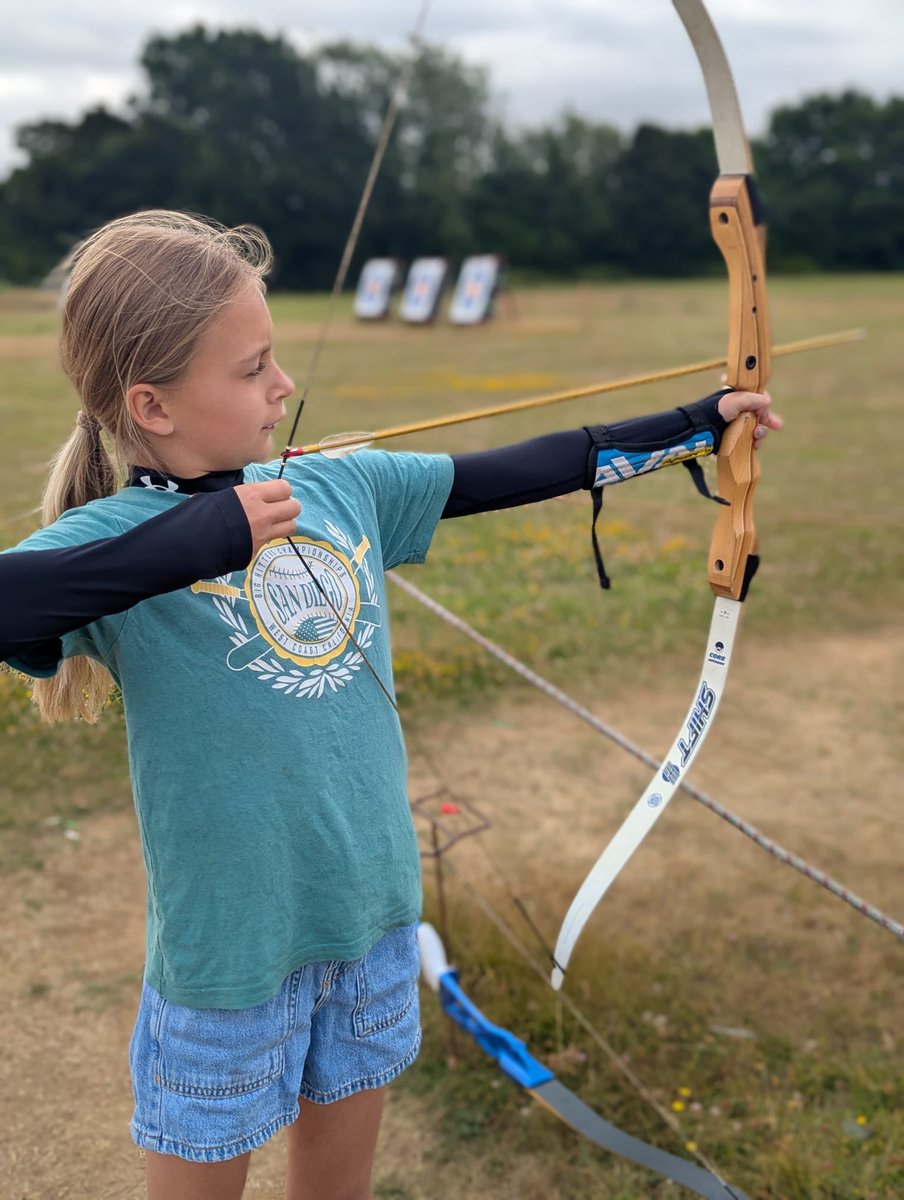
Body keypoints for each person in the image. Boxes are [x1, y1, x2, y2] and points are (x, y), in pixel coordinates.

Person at [0, 210, 780, 1200]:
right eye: (251, 369)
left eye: (275, 357)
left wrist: (695, 427)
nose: (283, 385)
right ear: (151, 406)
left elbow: (518, 470)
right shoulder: (107, 540)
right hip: (228, 961)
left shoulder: (337, 488)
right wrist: (196, 540)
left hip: (368, 923)